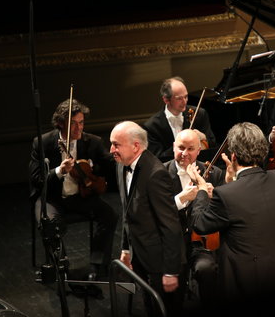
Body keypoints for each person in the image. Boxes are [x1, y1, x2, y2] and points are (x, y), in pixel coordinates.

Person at [188, 122, 275, 313]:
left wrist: (202, 190)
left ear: (233, 156)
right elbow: (253, 203)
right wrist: (232, 183)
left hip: (244, 279)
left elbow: (200, 224)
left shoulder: (225, 194)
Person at [29, 99, 118, 281]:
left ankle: (98, 265)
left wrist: (94, 167)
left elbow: (108, 165)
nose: (78, 128)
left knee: (109, 215)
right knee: (49, 223)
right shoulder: (43, 143)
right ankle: (61, 265)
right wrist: (59, 171)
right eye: (73, 124)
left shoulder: (92, 142)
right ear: (60, 123)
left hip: (81, 197)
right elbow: (37, 180)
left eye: (81, 123)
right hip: (52, 198)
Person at [110, 121, 185, 316]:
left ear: (136, 146)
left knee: (165, 309)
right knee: (148, 306)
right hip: (139, 251)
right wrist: (126, 248)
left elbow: (171, 226)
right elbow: (127, 212)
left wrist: (170, 271)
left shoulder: (156, 174)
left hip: (159, 260)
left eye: (116, 144)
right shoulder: (121, 166)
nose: (111, 150)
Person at [162, 129, 224, 309]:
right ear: (174, 147)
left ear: (199, 151)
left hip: (201, 243)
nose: (184, 153)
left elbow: (222, 215)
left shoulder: (215, 173)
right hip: (172, 243)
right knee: (173, 293)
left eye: (190, 149)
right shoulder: (160, 173)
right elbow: (156, 213)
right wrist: (182, 198)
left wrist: (213, 200)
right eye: (181, 147)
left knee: (207, 269)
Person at [143, 76, 216, 162]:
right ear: (166, 100)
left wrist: (203, 137)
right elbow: (158, 158)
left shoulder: (199, 114)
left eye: (186, 97)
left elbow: (212, 144)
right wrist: (180, 144)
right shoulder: (152, 126)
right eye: (179, 98)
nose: (184, 101)